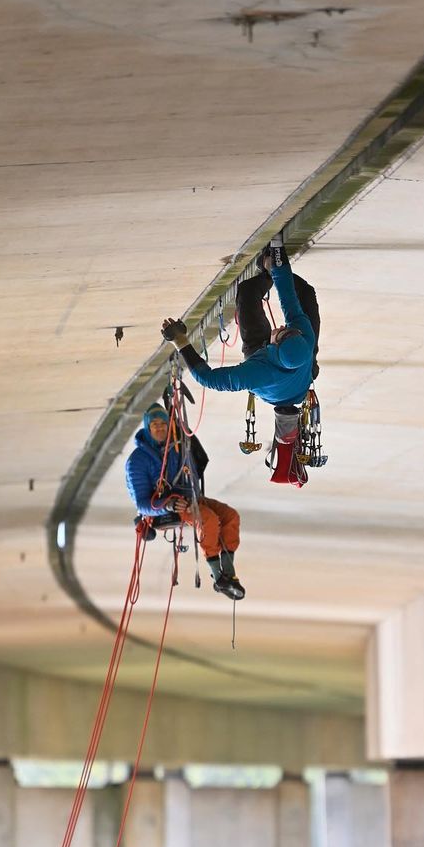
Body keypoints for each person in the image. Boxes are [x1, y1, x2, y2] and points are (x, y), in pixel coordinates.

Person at [161, 239, 320, 485]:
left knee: (247, 293)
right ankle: (269, 269)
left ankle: (267, 271)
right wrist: (277, 257)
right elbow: (289, 298)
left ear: (274, 344)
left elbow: (207, 378)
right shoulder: (303, 335)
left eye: (279, 332)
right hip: (301, 368)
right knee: (305, 294)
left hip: (269, 362)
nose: (279, 326)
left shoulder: (255, 373)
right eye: (284, 329)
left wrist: (180, 341)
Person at [124, 403, 245, 600]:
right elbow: (142, 504)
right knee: (209, 520)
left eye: (163, 423)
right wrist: (168, 504)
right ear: (147, 427)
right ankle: (217, 576)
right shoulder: (137, 461)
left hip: (191, 498)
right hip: (165, 510)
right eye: (154, 424)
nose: (160, 428)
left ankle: (229, 574)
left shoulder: (178, 446)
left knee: (230, 516)